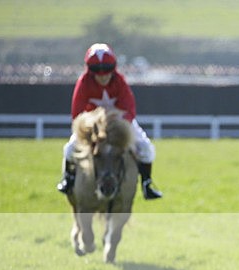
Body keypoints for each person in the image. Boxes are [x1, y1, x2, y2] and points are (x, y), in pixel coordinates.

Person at [56, 43, 162, 200]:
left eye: (106, 72)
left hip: (120, 123)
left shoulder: (120, 81)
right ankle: (68, 179)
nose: (103, 76)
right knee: (70, 149)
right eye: (97, 72)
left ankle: (147, 184)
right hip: (92, 125)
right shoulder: (84, 83)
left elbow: (129, 111)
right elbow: (77, 114)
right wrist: (90, 126)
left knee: (146, 148)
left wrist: (117, 125)